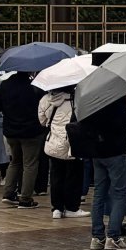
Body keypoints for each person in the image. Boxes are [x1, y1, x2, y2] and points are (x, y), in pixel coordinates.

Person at [69, 90, 126, 250]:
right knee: (120, 193)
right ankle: (113, 236)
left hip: (97, 152)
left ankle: (97, 237)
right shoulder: (114, 97)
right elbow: (120, 121)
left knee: (99, 193)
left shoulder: (93, 97)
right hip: (115, 152)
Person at [0, 64, 44, 207]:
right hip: (31, 131)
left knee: (15, 161)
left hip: (10, 130)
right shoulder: (35, 87)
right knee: (30, 164)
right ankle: (25, 198)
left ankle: (8, 193)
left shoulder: (4, 85)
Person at [38, 80, 84, 219]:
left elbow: (42, 121)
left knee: (56, 176)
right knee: (73, 175)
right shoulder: (77, 98)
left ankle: (56, 208)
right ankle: (71, 207)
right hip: (72, 142)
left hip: (53, 142)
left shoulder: (45, 99)